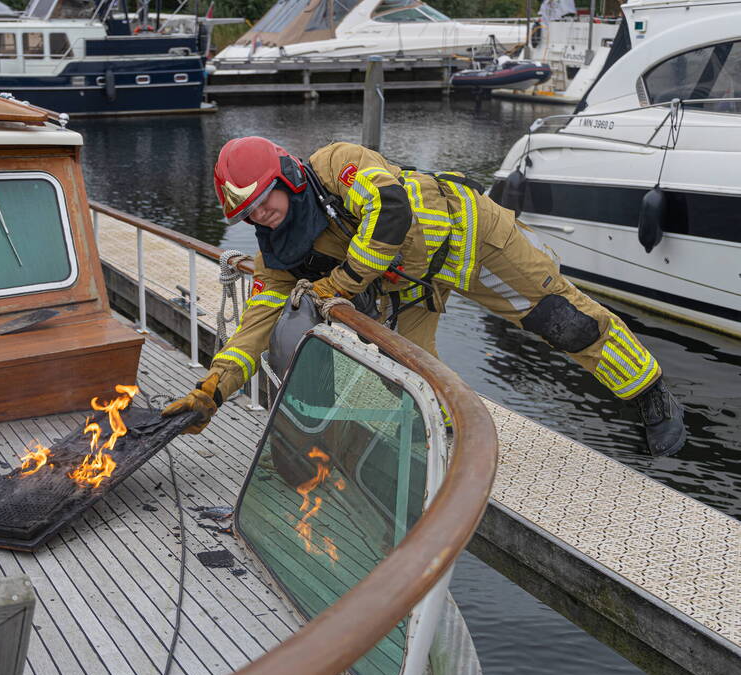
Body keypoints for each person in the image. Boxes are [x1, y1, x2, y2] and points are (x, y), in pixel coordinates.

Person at [162, 137, 686, 457]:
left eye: (262, 200)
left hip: (472, 240)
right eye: (247, 213)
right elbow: (255, 324)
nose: (259, 215)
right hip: (410, 286)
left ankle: (649, 392)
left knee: (563, 321)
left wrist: (340, 286)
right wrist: (213, 390)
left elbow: (389, 210)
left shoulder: (337, 165)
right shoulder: (277, 253)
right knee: (407, 371)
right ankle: (447, 442)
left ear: (287, 178)